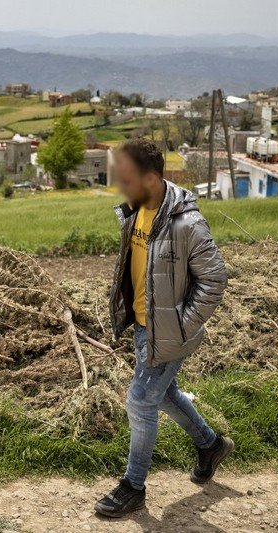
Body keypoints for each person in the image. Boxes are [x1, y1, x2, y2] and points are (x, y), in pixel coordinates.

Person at [94, 138, 231, 518]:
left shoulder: (188, 224)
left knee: (140, 399)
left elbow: (215, 280)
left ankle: (133, 486)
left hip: (169, 331)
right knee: (163, 393)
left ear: (151, 177)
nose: (121, 185)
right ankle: (210, 445)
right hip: (143, 325)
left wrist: (180, 327)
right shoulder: (135, 209)